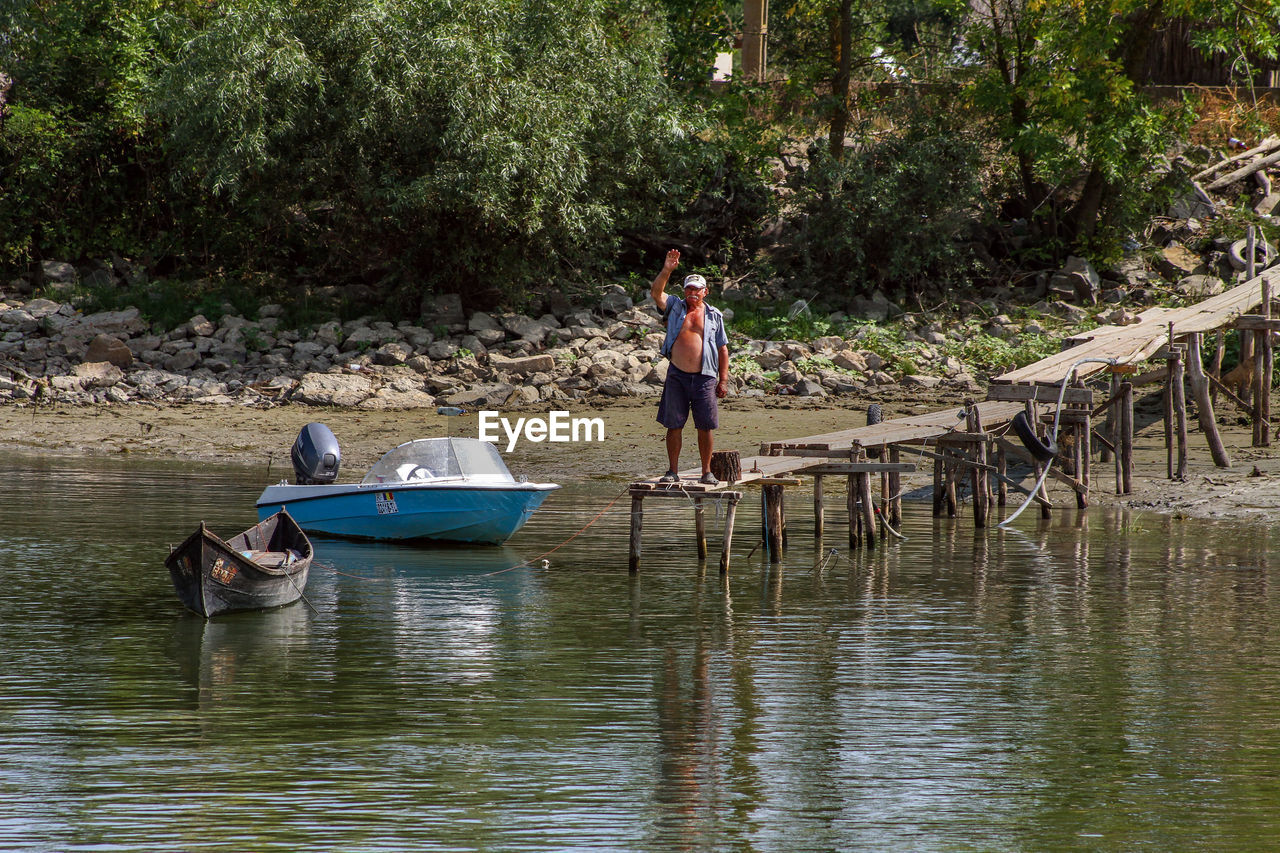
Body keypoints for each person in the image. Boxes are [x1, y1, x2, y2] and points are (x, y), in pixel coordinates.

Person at [650, 248, 729, 485]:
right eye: (689, 288)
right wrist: (667, 269)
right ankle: (672, 471)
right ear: (684, 291)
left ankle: (707, 472)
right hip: (677, 375)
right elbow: (656, 293)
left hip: (705, 376)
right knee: (674, 424)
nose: (692, 292)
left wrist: (723, 380)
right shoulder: (675, 306)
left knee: (705, 426)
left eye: (697, 289)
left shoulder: (714, 315)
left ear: (705, 291)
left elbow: (723, 348)